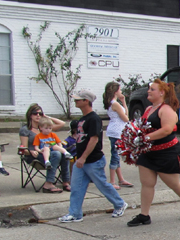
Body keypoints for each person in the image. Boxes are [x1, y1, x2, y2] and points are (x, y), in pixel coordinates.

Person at [127, 80, 180, 226]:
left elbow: (166, 129)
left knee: (174, 184)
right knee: (147, 183)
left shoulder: (166, 110)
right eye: (149, 89)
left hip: (166, 153)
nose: (148, 91)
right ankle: (144, 215)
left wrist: (145, 137)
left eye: (152, 89)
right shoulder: (148, 109)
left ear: (161, 93)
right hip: (148, 152)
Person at [58, 89, 127, 222]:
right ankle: (75, 213)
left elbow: (94, 139)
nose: (75, 101)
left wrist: (83, 157)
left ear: (86, 101)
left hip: (93, 160)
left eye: (78, 99)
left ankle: (120, 204)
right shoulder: (82, 119)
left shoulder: (94, 119)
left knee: (101, 184)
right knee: (76, 187)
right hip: (81, 160)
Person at [19, 103, 70, 193]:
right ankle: (48, 184)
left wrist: (46, 117)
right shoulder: (25, 129)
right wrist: (31, 151)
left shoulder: (44, 127)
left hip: (50, 153)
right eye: (35, 113)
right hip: (34, 154)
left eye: (40, 113)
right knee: (57, 154)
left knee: (64, 155)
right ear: (30, 115)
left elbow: (62, 123)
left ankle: (65, 182)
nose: (38, 115)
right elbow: (24, 148)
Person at [103, 81, 133, 189]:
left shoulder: (113, 103)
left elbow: (125, 116)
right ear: (115, 91)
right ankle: (112, 181)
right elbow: (126, 118)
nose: (121, 92)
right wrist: (124, 104)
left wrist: (123, 101)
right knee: (115, 155)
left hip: (116, 130)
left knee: (117, 154)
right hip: (116, 131)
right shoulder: (115, 104)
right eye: (120, 90)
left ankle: (120, 179)